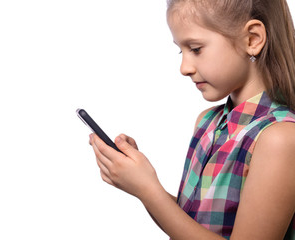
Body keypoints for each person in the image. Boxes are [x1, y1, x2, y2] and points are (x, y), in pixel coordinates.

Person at [89, 0, 295, 239]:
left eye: (196, 49)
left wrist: (148, 190)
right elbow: (192, 224)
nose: (184, 68)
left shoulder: (280, 139)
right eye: (181, 50)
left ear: (252, 39)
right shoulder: (207, 123)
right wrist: (139, 180)